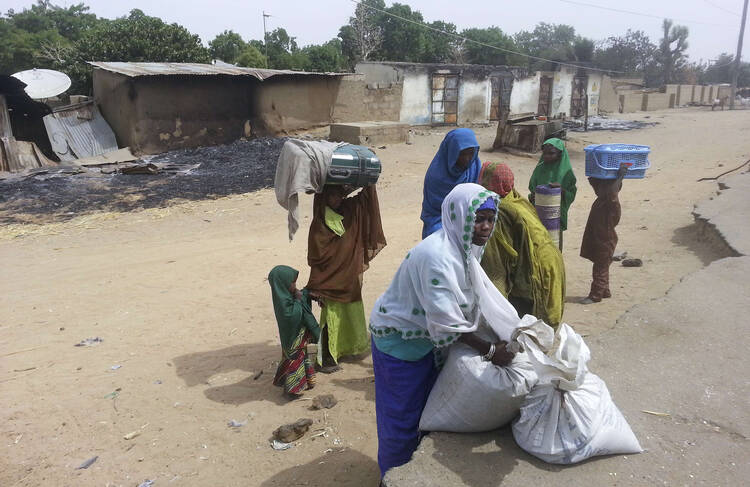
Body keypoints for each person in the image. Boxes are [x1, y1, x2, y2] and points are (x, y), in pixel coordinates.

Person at [370, 183, 520, 478]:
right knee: (401, 418)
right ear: (460, 216)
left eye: (491, 219)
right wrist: (490, 351)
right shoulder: (437, 257)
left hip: (427, 342)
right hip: (400, 344)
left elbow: (469, 300)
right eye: (479, 218)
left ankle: (412, 473)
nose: (485, 227)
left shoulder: (465, 249)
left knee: (425, 409)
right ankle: (392, 477)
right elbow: (445, 321)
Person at [306, 184, 386, 371]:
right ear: (324, 197)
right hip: (331, 283)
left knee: (350, 314)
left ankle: (345, 350)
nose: (337, 199)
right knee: (331, 320)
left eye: (339, 195)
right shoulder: (319, 224)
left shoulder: (349, 210)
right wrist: (317, 286)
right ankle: (326, 358)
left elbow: (366, 201)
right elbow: (317, 259)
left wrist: (369, 184)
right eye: (332, 196)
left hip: (348, 277)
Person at [479, 162, 566, 327]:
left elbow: (499, 263)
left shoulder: (500, 210)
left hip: (536, 268)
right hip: (551, 260)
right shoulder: (518, 199)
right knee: (544, 321)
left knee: (528, 325)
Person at [268, 265, 321, 398]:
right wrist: (298, 300)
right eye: (292, 283)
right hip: (292, 340)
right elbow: (291, 316)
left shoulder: (286, 295)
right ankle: (291, 390)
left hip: (298, 339)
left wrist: (307, 294)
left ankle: (307, 381)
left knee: (304, 358)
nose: (294, 285)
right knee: (295, 362)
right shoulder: (282, 302)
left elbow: (301, 297)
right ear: (283, 284)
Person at [579, 164, 629, 304]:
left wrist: (620, 176)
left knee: (600, 266)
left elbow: (611, 191)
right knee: (602, 264)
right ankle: (605, 290)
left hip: (605, 239)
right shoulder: (601, 200)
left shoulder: (611, 203)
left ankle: (596, 295)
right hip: (600, 237)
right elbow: (600, 188)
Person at [420, 128, 482, 238]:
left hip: (469, 215)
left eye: (471, 153)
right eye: (463, 154)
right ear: (452, 152)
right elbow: (434, 209)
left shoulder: (475, 166)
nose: (468, 159)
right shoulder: (435, 175)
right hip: (440, 218)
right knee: (439, 241)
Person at [528, 138, 577, 250]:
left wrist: (561, 190)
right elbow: (532, 188)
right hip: (538, 212)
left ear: (560, 154)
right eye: (544, 153)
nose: (547, 156)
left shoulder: (566, 173)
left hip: (555, 216)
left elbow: (572, 193)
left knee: (554, 244)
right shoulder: (540, 168)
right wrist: (534, 196)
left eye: (551, 153)